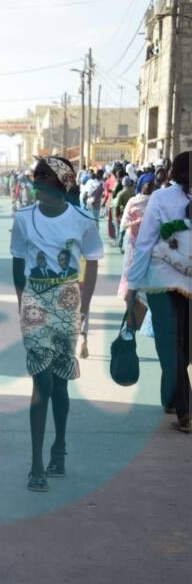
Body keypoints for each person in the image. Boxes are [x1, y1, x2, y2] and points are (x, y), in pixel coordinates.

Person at [11, 156, 103, 492]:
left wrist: (85, 307)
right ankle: (36, 464)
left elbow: (91, 262)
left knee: (61, 382)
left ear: (63, 183)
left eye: (47, 178)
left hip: (68, 302)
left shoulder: (82, 220)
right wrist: (24, 303)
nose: (38, 184)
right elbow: (18, 262)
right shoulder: (23, 218)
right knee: (41, 383)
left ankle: (59, 447)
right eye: (37, 177)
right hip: (35, 301)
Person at [125, 150, 191, 434]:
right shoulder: (163, 199)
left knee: (170, 345)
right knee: (184, 346)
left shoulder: (161, 199)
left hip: (160, 281)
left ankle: (182, 405)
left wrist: (134, 284)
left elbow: (146, 242)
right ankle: (177, 400)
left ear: (173, 172)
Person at [117, 177, 156, 298]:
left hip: (150, 241)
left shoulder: (156, 201)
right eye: (146, 184)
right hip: (133, 240)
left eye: (151, 184)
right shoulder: (133, 201)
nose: (149, 186)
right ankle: (129, 292)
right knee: (131, 266)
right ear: (141, 185)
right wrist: (137, 222)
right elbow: (124, 223)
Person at [114, 175, 136, 253]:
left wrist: (117, 216)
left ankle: (120, 244)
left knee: (122, 229)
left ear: (123, 184)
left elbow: (117, 206)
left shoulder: (121, 193)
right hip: (134, 213)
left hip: (124, 213)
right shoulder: (134, 191)